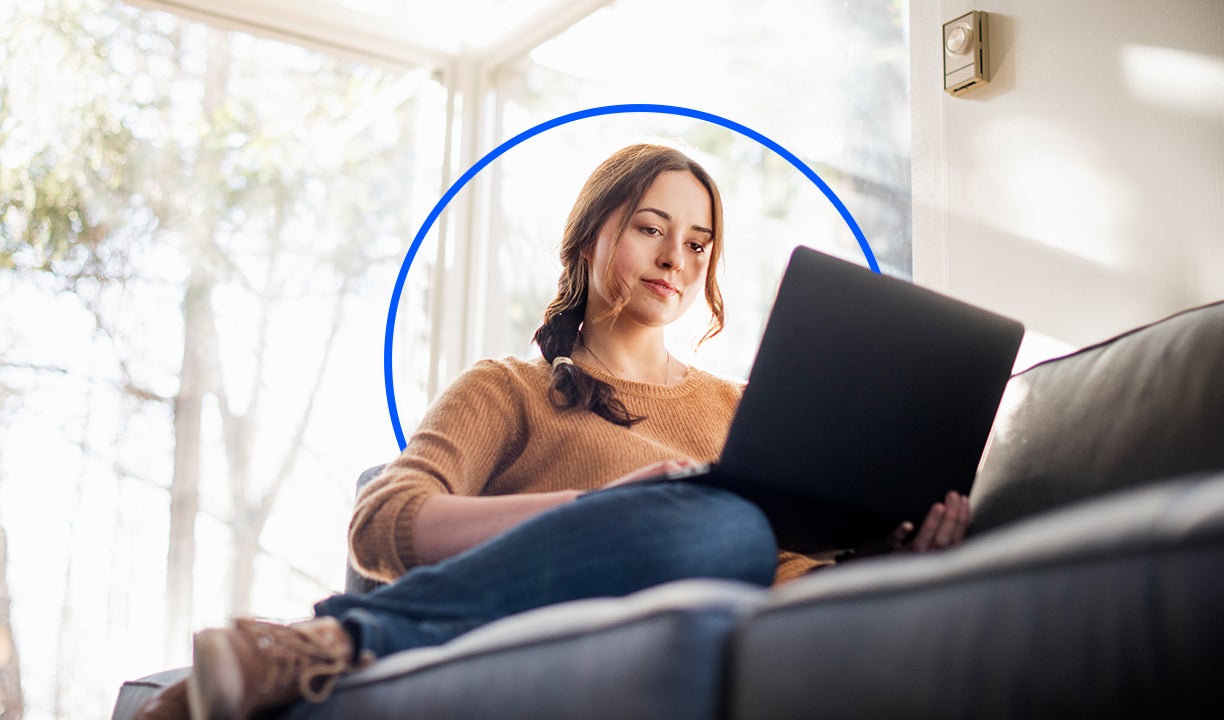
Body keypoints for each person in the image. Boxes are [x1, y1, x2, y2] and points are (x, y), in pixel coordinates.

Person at [138, 143, 970, 720]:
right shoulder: (510, 389)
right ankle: (323, 647)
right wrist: (596, 506)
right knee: (720, 521)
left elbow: (776, 583)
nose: (676, 256)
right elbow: (380, 525)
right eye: (650, 227)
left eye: (699, 241)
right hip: (533, 626)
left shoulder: (742, 410)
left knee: (734, 534)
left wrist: (886, 570)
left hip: (699, 615)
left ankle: (322, 647)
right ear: (590, 234)